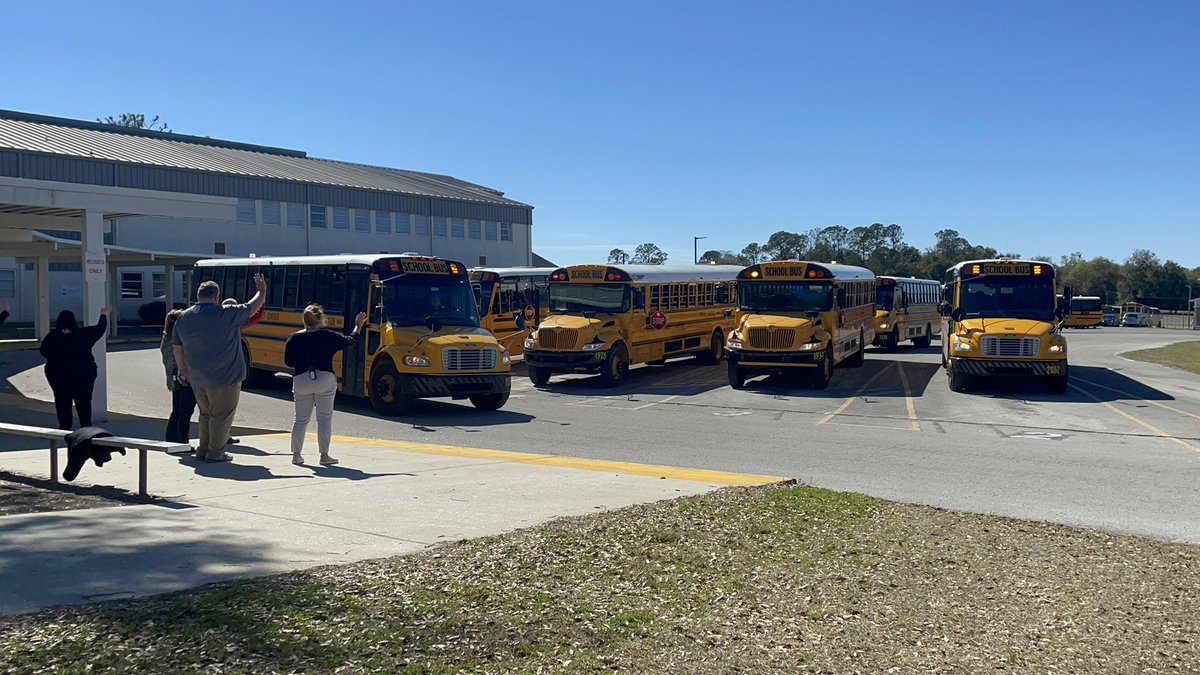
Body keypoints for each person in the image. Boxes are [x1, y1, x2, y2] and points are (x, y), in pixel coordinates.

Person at [172, 274, 266, 463]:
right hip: (225, 376)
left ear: (199, 296)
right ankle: (216, 453)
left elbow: (177, 347)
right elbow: (253, 306)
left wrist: (182, 370)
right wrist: (261, 290)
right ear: (216, 297)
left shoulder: (184, 317)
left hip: (197, 377)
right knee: (222, 415)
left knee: (205, 415)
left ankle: (203, 450)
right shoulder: (226, 313)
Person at [284, 304, 367, 466]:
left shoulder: (293, 338)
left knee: (300, 419)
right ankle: (324, 456)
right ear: (320, 319)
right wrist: (358, 326)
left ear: (304, 320)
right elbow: (350, 341)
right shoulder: (327, 336)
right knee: (324, 419)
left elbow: (288, 362)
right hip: (324, 378)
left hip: (301, 379)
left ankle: (296, 455)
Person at [39, 306, 111, 430]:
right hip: (83, 373)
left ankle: (65, 427)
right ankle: (86, 425)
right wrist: (103, 315)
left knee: (62, 401)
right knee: (84, 400)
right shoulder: (83, 335)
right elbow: (99, 329)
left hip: (59, 374)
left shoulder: (52, 337)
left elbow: (43, 351)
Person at [161, 309, 195, 446]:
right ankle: (182, 440)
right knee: (185, 411)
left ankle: (171, 439)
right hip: (182, 378)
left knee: (177, 410)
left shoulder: (166, 337)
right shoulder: (175, 341)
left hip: (174, 379)